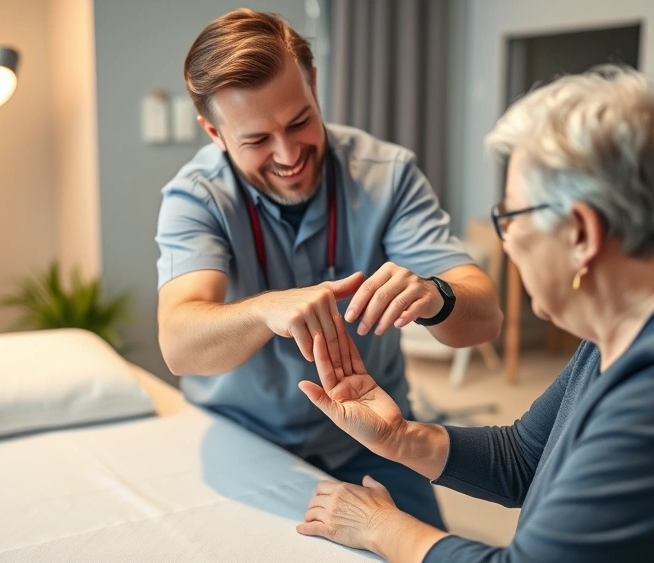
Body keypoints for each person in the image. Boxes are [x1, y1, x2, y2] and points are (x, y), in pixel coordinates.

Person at [295, 67, 654, 563]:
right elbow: (524, 460)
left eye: (510, 217)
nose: (505, 239)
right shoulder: (634, 321)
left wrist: (382, 528)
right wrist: (397, 438)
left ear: (582, 234)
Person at [155, 8, 502, 531]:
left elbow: (486, 318)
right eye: (256, 140)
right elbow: (179, 344)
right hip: (247, 441)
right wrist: (267, 310)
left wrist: (437, 294)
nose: (288, 154)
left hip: (373, 435)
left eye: (299, 122)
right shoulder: (196, 197)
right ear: (214, 132)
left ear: (314, 84)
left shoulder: (388, 175)